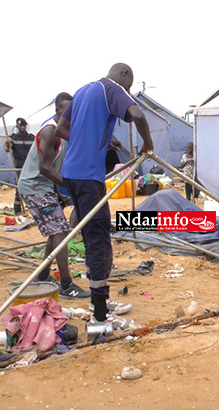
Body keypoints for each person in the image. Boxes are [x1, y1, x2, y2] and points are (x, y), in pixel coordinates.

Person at [56, 63, 153, 328]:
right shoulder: (112, 88)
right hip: (89, 177)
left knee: (93, 237)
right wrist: (148, 144)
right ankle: (99, 313)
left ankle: (100, 300)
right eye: (129, 86)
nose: (127, 91)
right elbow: (138, 115)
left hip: (72, 175)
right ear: (123, 75)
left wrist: (99, 140)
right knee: (98, 239)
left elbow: (61, 129)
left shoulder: (83, 91)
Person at [17, 93, 90, 300]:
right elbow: (44, 168)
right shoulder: (50, 132)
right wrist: (70, 186)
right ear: (57, 110)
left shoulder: (64, 132)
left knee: (55, 231)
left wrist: (58, 194)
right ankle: (67, 284)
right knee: (61, 230)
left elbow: (53, 167)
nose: (70, 116)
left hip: (44, 187)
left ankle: (43, 276)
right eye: (65, 111)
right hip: (34, 187)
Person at [5, 117, 35, 214]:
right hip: (19, 167)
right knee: (19, 188)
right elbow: (7, 149)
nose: (22, 127)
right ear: (17, 126)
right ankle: (17, 210)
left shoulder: (31, 138)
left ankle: (32, 208)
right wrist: (8, 145)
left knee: (31, 187)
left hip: (30, 166)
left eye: (24, 125)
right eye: (20, 126)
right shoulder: (13, 138)